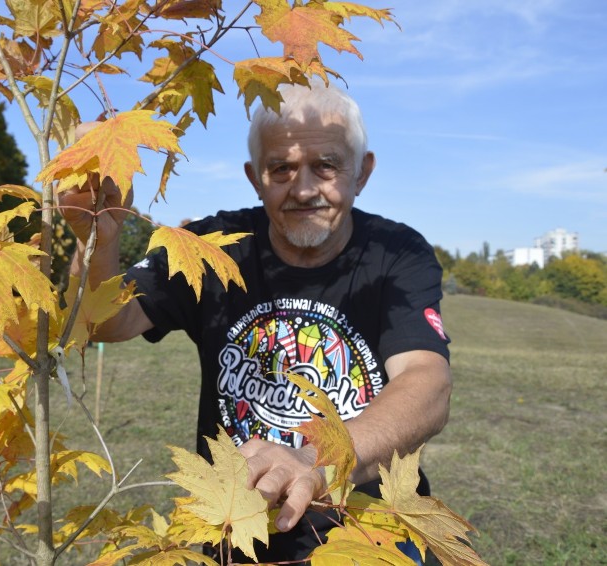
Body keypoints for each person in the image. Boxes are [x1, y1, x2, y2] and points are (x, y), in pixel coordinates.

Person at [60, 82, 452, 563]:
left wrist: (316, 461)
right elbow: (107, 324)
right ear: (254, 177)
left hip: (374, 532)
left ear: (362, 172)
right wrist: (96, 240)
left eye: (325, 166)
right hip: (238, 531)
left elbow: (426, 381)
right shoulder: (210, 245)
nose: (304, 189)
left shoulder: (396, 253)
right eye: (281, 168)